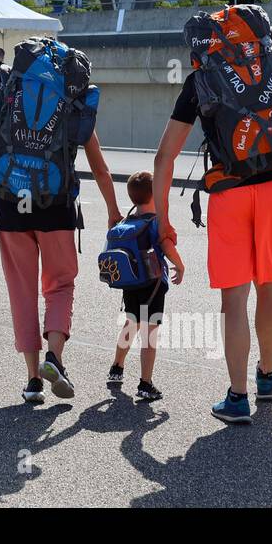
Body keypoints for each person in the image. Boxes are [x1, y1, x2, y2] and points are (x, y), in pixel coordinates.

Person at [153, 17, 272, 424]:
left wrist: (161, 220)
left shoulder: (202, 78)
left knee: (233, 300)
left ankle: (238, 398)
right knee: (270, 285)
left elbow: (165, 157)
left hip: (229, 192)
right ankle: (267, 376)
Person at [0, 113, 122, 405]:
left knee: (21, 291)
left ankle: (33, 381)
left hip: (11, 207)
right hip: (56, 207)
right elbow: (100, 168)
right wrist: (113, 211)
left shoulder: (11, 93)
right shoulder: (71, 99)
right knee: (60, 284)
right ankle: (54, 356)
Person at [107, 171, 184, 402]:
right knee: (150, 334)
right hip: (153, 284)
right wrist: (180, 266)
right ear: (155, 194)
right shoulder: (156, 222)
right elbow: (167, 246)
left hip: (130, 282)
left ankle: (116, 368)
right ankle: (145, 383)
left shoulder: (125, 222)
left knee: (130, 323)